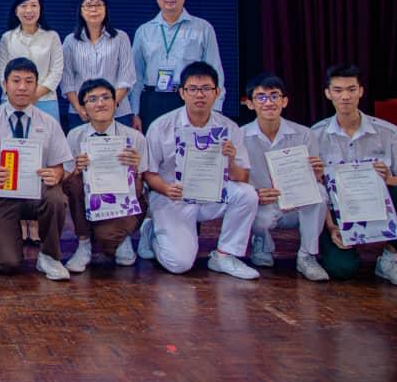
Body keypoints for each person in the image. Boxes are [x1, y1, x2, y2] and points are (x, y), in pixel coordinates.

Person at [138, 61, 259, 279]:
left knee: (247, 194)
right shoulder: (161, 126)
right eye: (192, 89)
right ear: (182, 93)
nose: (199, 95)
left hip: (211, 195)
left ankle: (224, 255)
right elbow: (148, 173)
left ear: (217, 93)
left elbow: (243, 178)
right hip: (173, 198)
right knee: (179, 264)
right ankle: (152, 232)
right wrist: (166, 189)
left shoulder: (229, 128)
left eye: (206, 89)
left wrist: (231, 160)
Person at [312, 63, 397, 286]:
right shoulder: (315, 135)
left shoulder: (388, 132)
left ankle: (390, 259)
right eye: (338, 90)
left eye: (351, 89)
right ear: (328, 93)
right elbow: (315, 189)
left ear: (361, 91)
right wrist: (331, 227)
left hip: (379, 208)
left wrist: (388, 179)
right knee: (341, 270)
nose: (345, 96)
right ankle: (338, 246)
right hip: (338, 214)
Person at [0, 57, 72, 280]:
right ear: (5, 84)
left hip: (37, 192)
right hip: (0, 194)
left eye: (29, 81)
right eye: (16, 80)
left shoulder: (49, 122)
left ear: (36, 86)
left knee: (56, 197)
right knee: (7, 263)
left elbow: (61, 167)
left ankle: (49, 256)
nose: (22, 87)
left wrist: (56, 174)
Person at [240, 73, 329, 281]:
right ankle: (261, 242)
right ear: (250, 104)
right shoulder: (240, 136)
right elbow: (235, 180)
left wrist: (317, 175)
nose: (268, 102)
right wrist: (255, 193)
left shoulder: (305, 134)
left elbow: (315, 178)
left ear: (284, 101)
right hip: (263, 204)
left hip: (296, 203)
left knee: (320, 192)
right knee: (245, 200)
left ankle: (307, 255)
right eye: (261, 97)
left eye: (274, 96)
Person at [63, 78, 146, 272]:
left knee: (108, 243)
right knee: (74, 182)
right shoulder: (74, 136)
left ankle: (123, 237)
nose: (100, 103)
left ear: (115, 103)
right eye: (92, 99)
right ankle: (84, 242)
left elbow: (142, 188)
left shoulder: (134, 138)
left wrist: (134, 169)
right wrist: (77, 170)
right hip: (90, 201)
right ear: (83, 108)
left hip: (124, 203)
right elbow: (66, 180)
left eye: (105, 97)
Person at [130, 0, 224, 132]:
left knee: (190, 145)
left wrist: (215, 108)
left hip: (190, 98)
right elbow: (136, 76)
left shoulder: (203, 28)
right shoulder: (144, 31)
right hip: (153, 100)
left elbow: (215, 70)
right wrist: (135, 112)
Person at [61, 0, 137, 131]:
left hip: (117, 112)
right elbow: (67, 80)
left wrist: (111, 105)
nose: (94, 10)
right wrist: (79, 108)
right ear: (81, 11)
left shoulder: (120, 38)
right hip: (81, 113)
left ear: (106, 9)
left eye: (98, 5)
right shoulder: (70, 41)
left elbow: (126, 77)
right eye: (89, 6)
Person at [0, 0, 64, 122]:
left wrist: (34, 95)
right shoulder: (7, 38)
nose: (29, 10)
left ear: (40, 9)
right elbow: (1, 72)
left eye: (33, 5)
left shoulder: (52, 37)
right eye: (23, 6)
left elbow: (57, 71)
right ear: (16, 10)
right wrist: (16, 95)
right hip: (12, 101)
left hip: (45, 100)